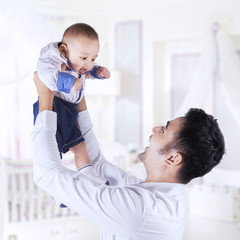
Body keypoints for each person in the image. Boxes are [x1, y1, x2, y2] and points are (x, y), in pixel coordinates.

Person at [32, 72, 225, 240]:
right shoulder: (162, 196)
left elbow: (46, 173)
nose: (155, 128)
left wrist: (45, 99)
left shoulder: (142, 210)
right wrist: (78, 97)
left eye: (164, 130)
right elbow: (98, 163)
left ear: (173, 158)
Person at [33, 23, 110, 167]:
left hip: (70, 110)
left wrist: (97, 71)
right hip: (54, 108)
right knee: (52, 150)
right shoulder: (52, 58)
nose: (88, 64)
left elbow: (86, 71)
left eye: (93, 59)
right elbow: (44, 74)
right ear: (63, 50)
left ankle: (90, 178)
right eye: (84, 58)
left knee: (81, 148)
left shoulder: (77, 63)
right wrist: (68, 83)